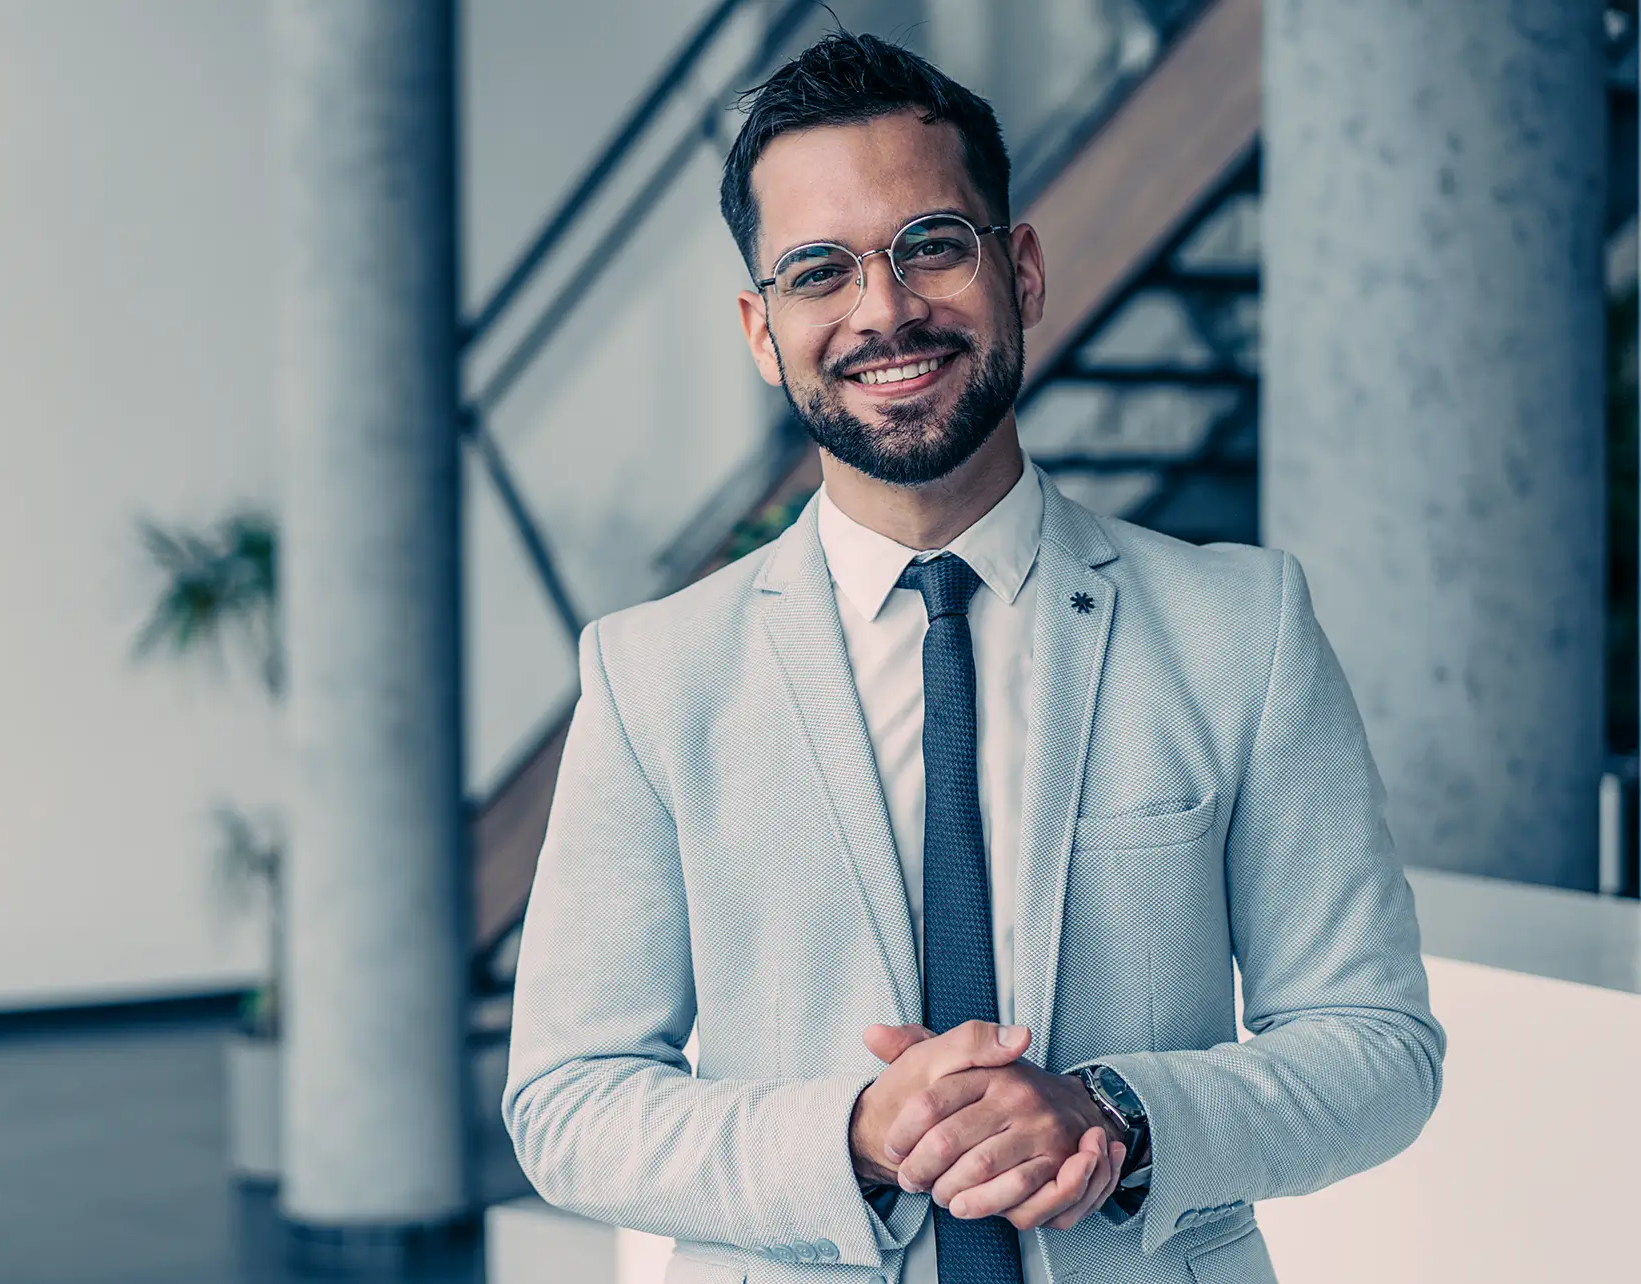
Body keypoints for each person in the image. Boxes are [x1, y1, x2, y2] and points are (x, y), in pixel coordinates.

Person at [503, 30, 1443, 1284]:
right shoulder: (654, 675)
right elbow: (567, 1103)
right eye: (819, 270)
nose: (884, 309)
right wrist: (850, 1138)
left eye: (931, 246)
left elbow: (1377, 1047)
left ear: (1025, 270)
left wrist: (1122, 1114)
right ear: (761, 329)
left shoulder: (1242, 630)